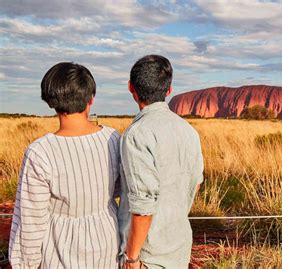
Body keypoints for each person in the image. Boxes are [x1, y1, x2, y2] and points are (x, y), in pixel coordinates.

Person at [8, 62, 121, 268]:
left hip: (60, 249)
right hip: (108, 241)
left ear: (50, 100)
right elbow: (121, 188)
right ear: (91, 99)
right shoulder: (112, 138)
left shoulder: (40, 151)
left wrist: (26, 264)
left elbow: (31, 220)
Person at [118, 55, 204, 269]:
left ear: (131, 87)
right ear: (168, 90)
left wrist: (132, 258)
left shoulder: (137, 134)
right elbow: (196, 183)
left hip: (148, 256)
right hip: (179, 246)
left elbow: (143, 204)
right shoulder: (189, 131)